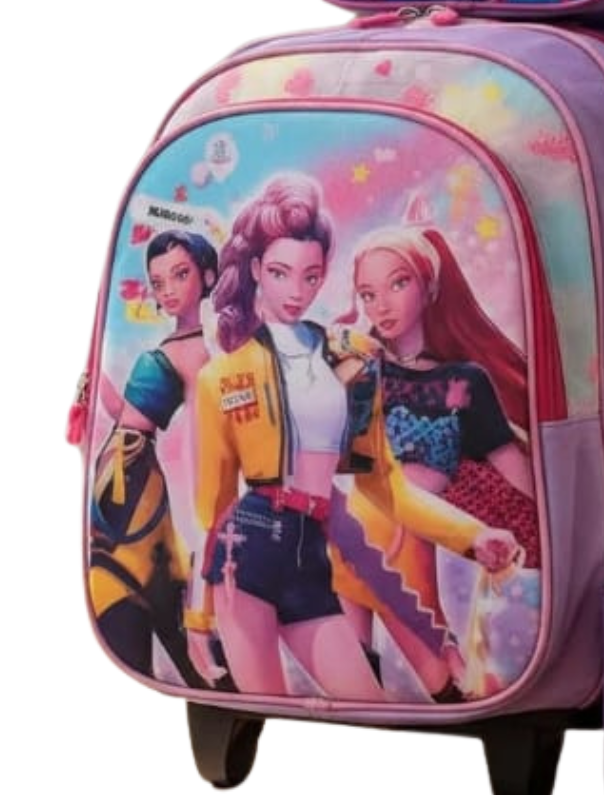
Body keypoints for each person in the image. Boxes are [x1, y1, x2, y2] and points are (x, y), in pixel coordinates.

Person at [187, 176, 517, 700]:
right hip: (243, 552)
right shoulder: (222, 377)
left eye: (311, 276)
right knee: (265, 705)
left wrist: (472, 536)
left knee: (366, 700)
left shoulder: (353, 358)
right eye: (279, 273)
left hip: (313, 553)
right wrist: (197, 614)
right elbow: (214, 508)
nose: (296, 292)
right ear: (255, 271)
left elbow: (386, 487)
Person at [330, 225, 537, 686]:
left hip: (420, 527)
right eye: (367, 294)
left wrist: (556, 522)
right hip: (363, 518)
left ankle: (437, 672)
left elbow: (509, 463)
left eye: (398, 284)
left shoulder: (463, 380)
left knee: (379, 529)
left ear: (429, 287)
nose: (380, 306)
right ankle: (425, 669)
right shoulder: (361, 370)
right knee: (358, 531)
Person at [89, 230, 220, 687]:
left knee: (143, 573)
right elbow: (126, 414)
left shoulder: (206, 348)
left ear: (208, 276)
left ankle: (202, 673)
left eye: (180, 275)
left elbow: (204, 426)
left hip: (138, 476)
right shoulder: (174, 344)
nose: (168, 291)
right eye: (158, 282)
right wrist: (97, 379)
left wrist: (203, 509)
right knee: (123, 572)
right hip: (120, 465)